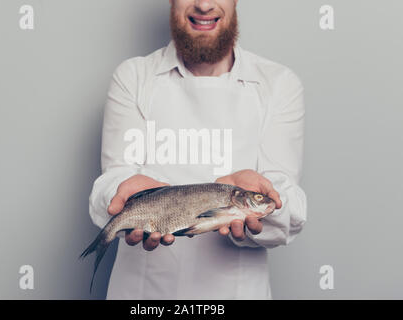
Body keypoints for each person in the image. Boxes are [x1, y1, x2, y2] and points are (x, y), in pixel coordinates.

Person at [89, 0, 307, 299]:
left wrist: (266, 201)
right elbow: (113, 181)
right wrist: (123, 190)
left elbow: (291, 210)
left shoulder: (279, 84)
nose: (204, 5)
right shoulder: (134, 77)